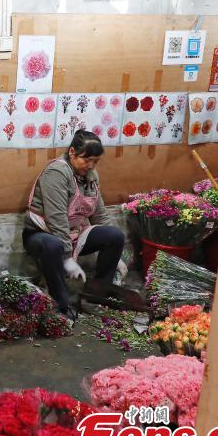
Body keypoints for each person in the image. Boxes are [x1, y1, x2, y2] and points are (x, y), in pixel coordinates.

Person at [23, 130, 142, 321]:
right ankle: (61, 304)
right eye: (87, 160)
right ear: (72, 152)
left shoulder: (91, 176)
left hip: (73, 233)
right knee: (53, 246)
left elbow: (99, 214)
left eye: (96, 161)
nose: (91, 165)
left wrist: (117, 256)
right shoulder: (56, 173)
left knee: (114, 236)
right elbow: (56, 218)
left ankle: (96, 295)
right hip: (43, 233)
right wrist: (67, 257)